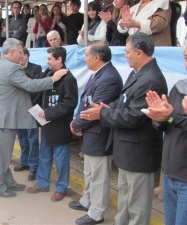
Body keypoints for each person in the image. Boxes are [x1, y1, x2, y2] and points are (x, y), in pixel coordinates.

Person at [79, 32, 168, 225]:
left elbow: (135, 116)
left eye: (127, 52)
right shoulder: (138, 73)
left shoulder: (151, 79)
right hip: (128, 151)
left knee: (137, 207)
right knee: (125, 200)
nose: (125, 55)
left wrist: (101, 114)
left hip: (139, 153)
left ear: (139, 52)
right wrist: (108, 108)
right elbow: (124, 101)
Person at [0, 38, 69, 198]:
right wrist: (53, 79)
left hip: (0, 117)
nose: (23, 55)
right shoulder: (11, 68)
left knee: (3, 154)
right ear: (13, 51)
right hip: (2, 119)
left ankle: (7, 181)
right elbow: (30, 85)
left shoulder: (1, 64)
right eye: (21, 52)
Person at [69, 42, 123, 225]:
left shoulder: (109, 77)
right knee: (90, 171)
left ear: (97, 57)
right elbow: (85, 101)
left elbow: (95, 109)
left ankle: (97, 212)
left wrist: (77, 124)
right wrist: (76, 120)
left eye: (86, 55)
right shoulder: (98, 74)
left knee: (99, 175)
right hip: (90, 131)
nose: (85, 58)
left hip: (99, 133)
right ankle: (88, 201)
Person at [27, 47, 78, 202]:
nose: (47, 61)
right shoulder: (48, 73)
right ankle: (42, 182)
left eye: (50, 59)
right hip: (46, 123)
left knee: (61, 159)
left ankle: (61, 187)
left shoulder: (68, 78)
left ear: (59, 59)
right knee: (44, 154)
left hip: (59, 125)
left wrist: (48, 113)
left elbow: (70, 103)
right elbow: (37, 86)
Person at [143, 47, 187, 225]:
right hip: (169, 176)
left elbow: (174, 118)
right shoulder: (179, 87)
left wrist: (172, 117)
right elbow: (166, 122)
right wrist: (160, 117)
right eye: (186, 56)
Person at [13, 47, 42, 181]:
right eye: (21, 54)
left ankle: (34, 166)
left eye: (24, 54)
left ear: (28, 56)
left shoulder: (36, 68)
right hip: (19, 108)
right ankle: (24, 161)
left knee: (32, 139)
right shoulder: (14, 69)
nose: (22, 57)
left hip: (32, 107)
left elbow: (35, 85)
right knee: (22, 137)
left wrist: (21, 72)